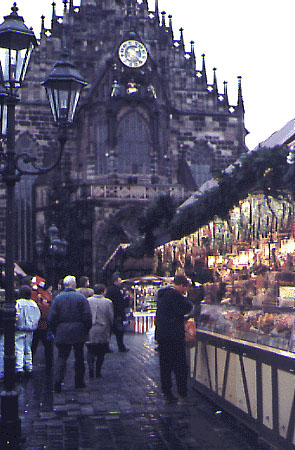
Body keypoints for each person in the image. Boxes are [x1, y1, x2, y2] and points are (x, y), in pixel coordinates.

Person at [48, 275, 92, 393]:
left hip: (62, 330)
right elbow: (87, 316)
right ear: (74, 285)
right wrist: (85, 329)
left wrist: (55, 330)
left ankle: (58, 382)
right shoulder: (81, 298)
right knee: (79, 357)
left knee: (61, 357)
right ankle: (79, 382)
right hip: (79, 330)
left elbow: (52, 317)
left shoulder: (58, 298)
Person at [155, 274, 194, 405]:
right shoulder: (175, 296)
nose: (185, 291)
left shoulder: (163, 294)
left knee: (165, 366)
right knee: (180, 367)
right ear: (182, 285)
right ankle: (182, 395)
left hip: (163, 335)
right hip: (173, 336)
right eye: (185, 288)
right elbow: (186, 308)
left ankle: (167, 393)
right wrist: (187, 300)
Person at [86, 284, 114, 378]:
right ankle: (98, 371)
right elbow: (110, 316)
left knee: (90, 350)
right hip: (103, 329)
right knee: (101, 352)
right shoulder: (107, 302)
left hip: (90, 329)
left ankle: (90, 368)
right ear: (103, 291)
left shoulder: (88, 301)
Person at [15, 285, 41, 379]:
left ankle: (19, 368)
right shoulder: (34, 304)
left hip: (19, 329)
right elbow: (38, 316)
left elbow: (16, 315)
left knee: (19, 349)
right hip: (30, 330)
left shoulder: (18, 303)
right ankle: (29, 367)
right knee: (28, 349)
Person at [31, 279, 54, 374]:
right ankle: (49, 366)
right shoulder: (47, 296)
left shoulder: (33, 294)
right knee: (48, 347)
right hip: (45, 325)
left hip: (34, 325)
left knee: (32, 346)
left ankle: (29, 365)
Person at [106, 273, 129, 352]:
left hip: (111, 313)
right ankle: (121, 347)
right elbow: (120, 303)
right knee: (119, 332)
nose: (121, 282)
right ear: (115, 281)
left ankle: (107, 346)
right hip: (117, 314)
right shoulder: (116, 290)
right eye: (119, 280)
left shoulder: (110, 289)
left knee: (109, 331)